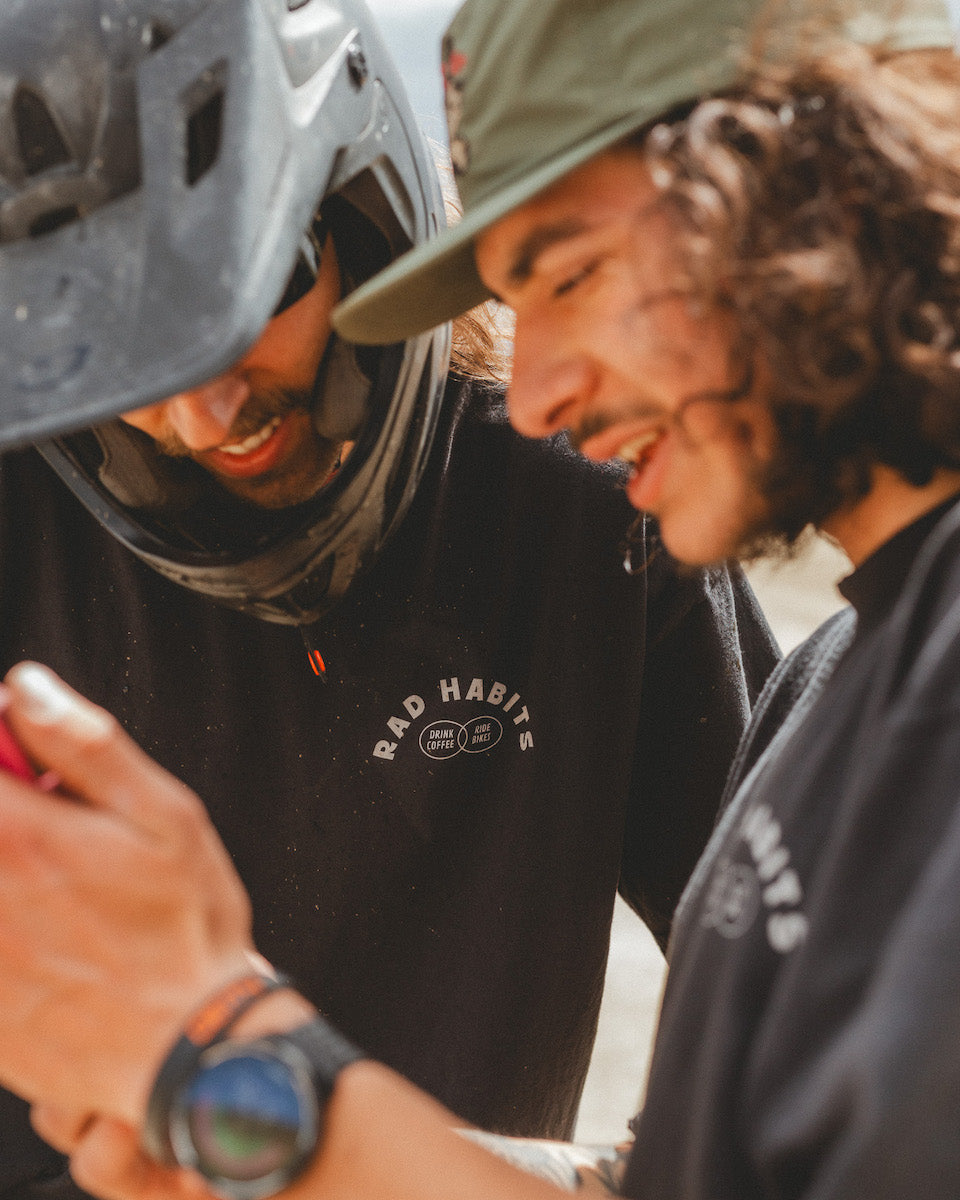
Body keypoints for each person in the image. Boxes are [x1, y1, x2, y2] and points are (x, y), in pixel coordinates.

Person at [0, 0, 958, 1197]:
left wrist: (226, 1070)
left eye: (571, 273)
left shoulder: (608, 528)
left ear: (816, 190)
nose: (540, 390)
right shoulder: (844, 688)